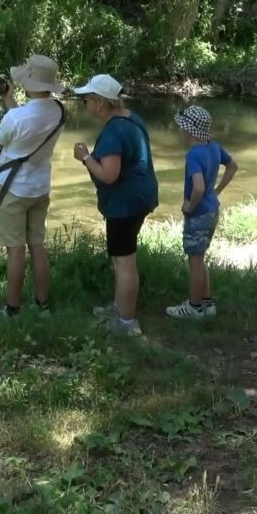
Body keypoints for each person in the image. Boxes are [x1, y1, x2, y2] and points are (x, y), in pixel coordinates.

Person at [0, 54, 65, 318]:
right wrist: (8, 100)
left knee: (15, 250)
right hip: (40, 188)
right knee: (37, 246)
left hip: (13, 190)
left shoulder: (18, 118)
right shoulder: (59, 111)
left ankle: (12, 309)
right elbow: (25, 124)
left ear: (30, 82)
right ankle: (43, 304)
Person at [71, 74, 159, 337]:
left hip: (125, 204)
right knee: (123, 259)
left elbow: (108, 174)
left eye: (86, 99)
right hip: (140, 197)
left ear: (99, 102)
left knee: (124, 263)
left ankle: (126, 322)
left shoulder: (114, 131)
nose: (84, 103)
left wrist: (85, 156)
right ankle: (119, 307)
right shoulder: (130, 118)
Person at [167, 105, 239, 320]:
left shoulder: (193, 155)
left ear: (190, 130)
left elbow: (197, 187)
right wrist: (216, 191)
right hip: (212, 210)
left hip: (198, 214)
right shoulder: (214, 147)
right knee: (200, 258)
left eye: (182, 127)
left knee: (195, 262)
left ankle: (194, 307)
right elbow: (233, 166)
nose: (180, 130)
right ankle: (207, 305)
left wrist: (190, 206)